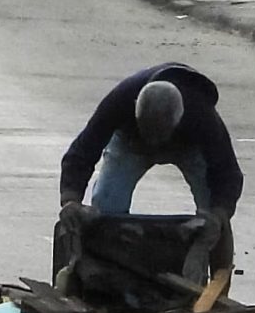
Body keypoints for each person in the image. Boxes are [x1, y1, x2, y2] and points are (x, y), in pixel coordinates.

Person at [58, 65, 244, 282]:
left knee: (214, 218)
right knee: (106, 208)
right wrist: (70, 200)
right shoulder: (120, 100)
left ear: (181, 117)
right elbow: (83, 150)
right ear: (136, 108)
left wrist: (219, 214)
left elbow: (228, 173)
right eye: (149, 132)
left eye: (159, 136)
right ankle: (103, 278)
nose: (154, 143)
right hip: (131, 143)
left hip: (187, 146)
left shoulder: (202, 115)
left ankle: (218, 290)